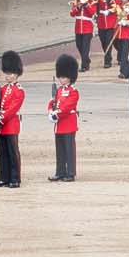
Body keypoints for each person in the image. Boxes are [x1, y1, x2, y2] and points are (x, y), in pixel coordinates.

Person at [48, 53, 79, 181]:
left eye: (64, 77)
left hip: (68, 123)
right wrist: (50, 111)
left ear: (70, 77)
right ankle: (60, 171)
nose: (61, 79)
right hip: (59, 124)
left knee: (69, 150)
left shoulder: (73, 91)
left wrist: (57, 113)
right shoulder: (59, 91)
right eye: (60, 77)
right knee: (60, 150)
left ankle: (70, 173)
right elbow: (52, 103)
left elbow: (68, 106)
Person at [0, 51, 25, 187]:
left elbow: (13, 109)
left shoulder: (19, 90)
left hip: (11, 124)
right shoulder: (2, 89)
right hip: (1, 125)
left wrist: (1, 118)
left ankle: (15, 178)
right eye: (7, 74)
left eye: (11, 74)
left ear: (17, 74)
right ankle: (4, 177)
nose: (8, 76)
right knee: (3, 152)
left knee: (13, 152)